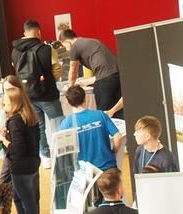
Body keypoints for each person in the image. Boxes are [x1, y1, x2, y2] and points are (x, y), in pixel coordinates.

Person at [11, 20, 63, 167]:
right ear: (39, 32)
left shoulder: (15, 51)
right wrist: (49, 81)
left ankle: (45, 157)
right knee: (59, 124)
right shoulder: (47, 49)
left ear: (24, 33)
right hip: (48, 95)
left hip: (28, 96)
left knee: (39, 127)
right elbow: (57, 69)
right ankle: (62, 154)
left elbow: (15, 68)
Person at [0, 87, 42, 214]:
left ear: (14, 103)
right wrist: (8, 135)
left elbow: (18, 148)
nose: (3, 103)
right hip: (32, 164)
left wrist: (3, 139)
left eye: (6, 101)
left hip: (20, 167)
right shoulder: (30, 116)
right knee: (24, 199)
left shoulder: (15, 121)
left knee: (26, 201)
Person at [60, 29, 123, 117]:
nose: (67, 49)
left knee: (103, 112)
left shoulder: (75, 46)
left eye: (65, 46)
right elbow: (106, 71)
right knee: (118, 110)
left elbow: (73, 69)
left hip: (105, 82)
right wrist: (85, 82)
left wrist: (70, 87)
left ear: (67, 42)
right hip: (119, 73)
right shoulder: (91, 41)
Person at [61, 85, 123, 171]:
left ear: (68, 102)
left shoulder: (66, 124)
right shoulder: (100, 115)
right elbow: (118, 136)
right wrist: (113, 152)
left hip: (85, 172)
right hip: (108, 167)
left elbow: (63, 150)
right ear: (85, 98)